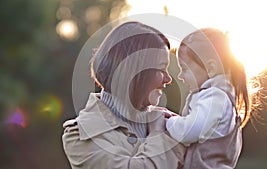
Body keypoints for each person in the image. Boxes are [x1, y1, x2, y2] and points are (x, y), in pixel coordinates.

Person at [62, 21, 185, 169]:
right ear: (134, 72)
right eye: (161, 69)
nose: (168, 79)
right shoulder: (79, 135)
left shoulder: (169, 123)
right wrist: (160, 134)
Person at [165, 28, 261, 169]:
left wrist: (167, 122)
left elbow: (190, 130)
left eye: (184, 69)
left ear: (210, 68)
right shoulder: (218, 97)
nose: (180, 76)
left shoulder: (215, 99)